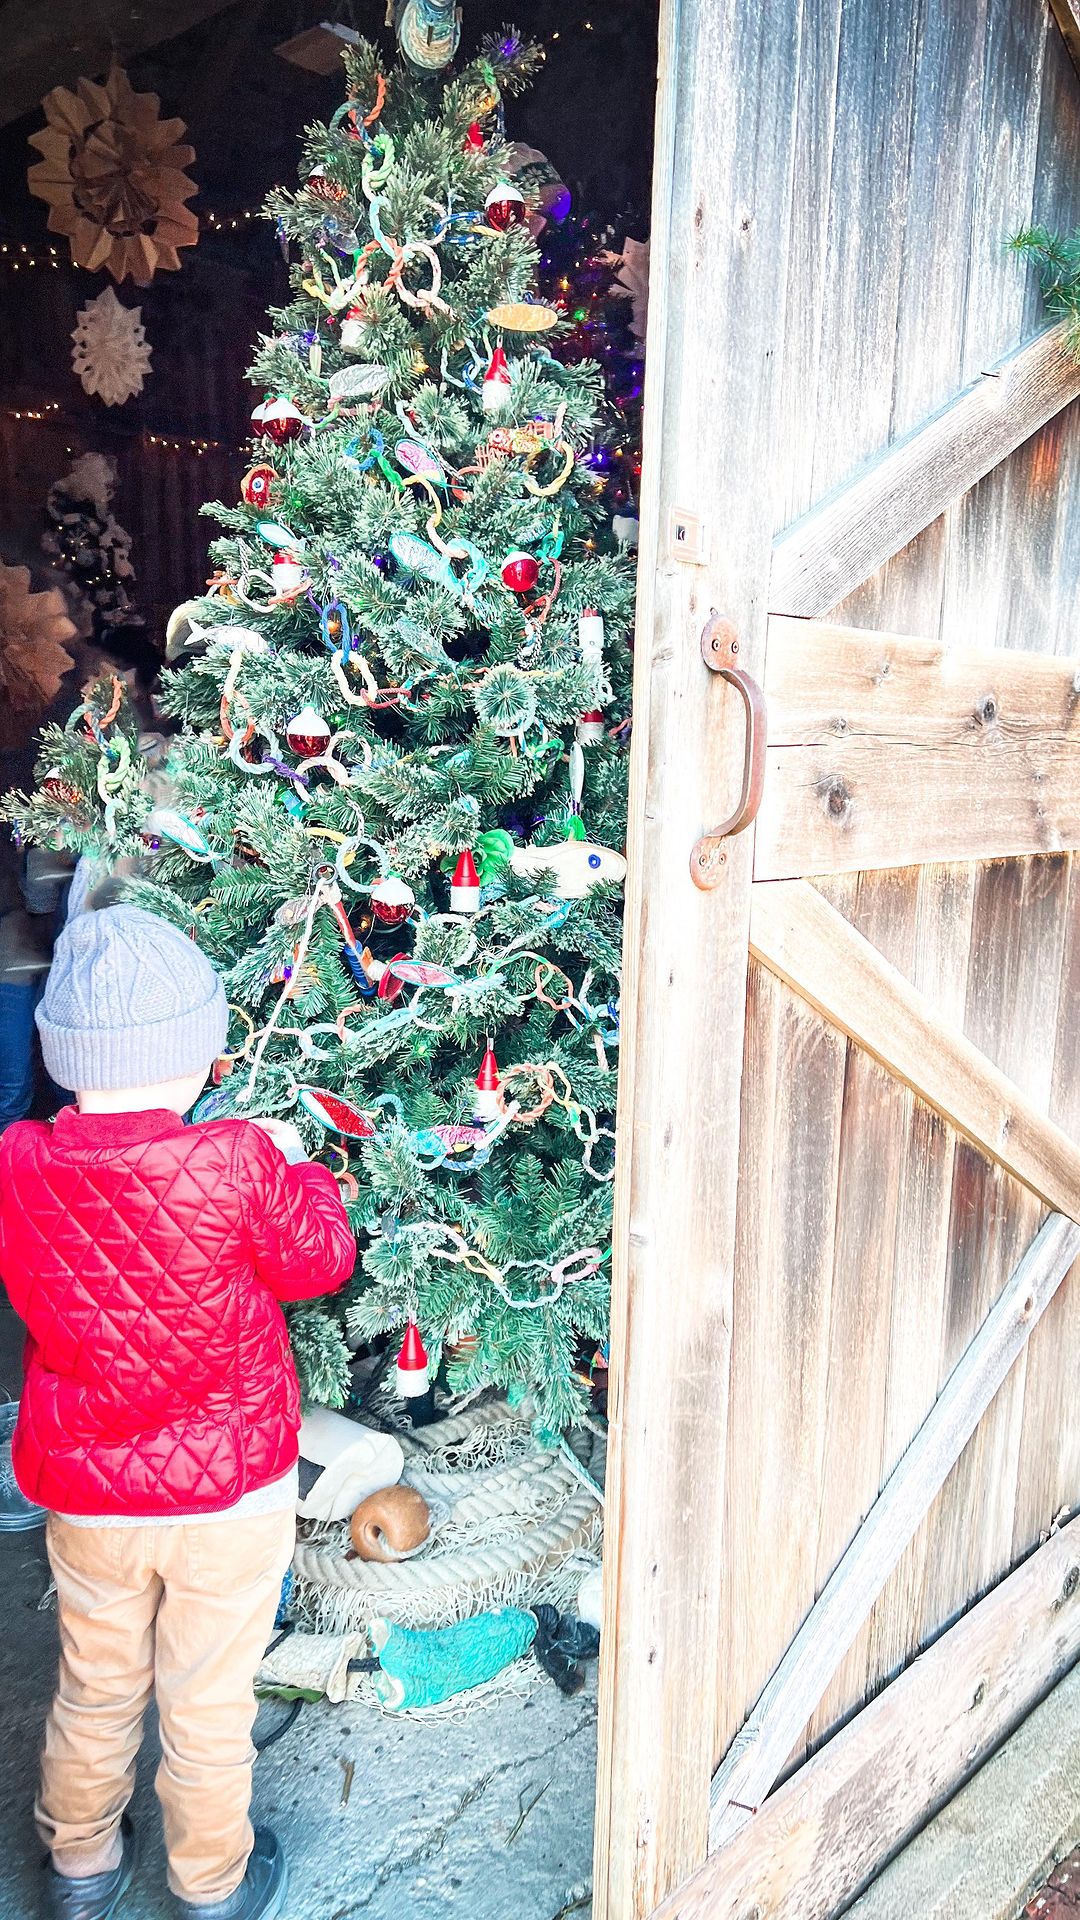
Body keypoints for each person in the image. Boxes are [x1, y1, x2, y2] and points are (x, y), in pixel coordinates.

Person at [0, 904, 355, 1920]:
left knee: (95, 1682)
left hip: (89, 1495)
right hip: (227, 1495)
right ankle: (210, 1885)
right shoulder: (236, 1157)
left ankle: (79, 1869)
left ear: (64, 1058)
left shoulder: (18, 1161)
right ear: (201, 1058)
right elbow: (318, 1262)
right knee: (206, 1696)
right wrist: (299, 1167)